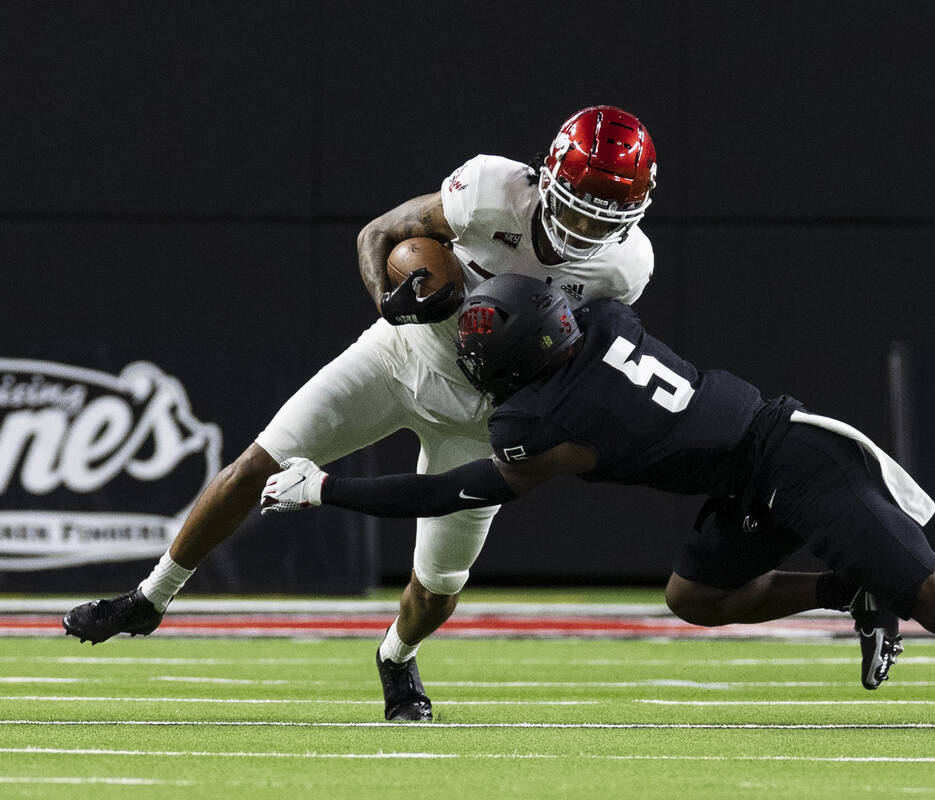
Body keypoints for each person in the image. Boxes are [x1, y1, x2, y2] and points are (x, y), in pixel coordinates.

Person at [260, 274, 935, 728]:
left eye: (483, 362)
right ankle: (846, 591)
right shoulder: (601, 322)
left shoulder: (548, 418)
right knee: (694, 598)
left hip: (802, 464)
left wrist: (332, 487)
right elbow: (527, 320)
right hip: (754, 469)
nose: (472, 371)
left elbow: (457, 486)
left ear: (522, 367)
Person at [62, 105, 664, 722]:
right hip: (399, 356)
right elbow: (377, 234)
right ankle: (149, 598)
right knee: (254, 466)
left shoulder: (625, 266)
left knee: (439, 589)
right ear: (548, 179)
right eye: (573, 207)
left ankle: (396, 656)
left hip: (486, 415)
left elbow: (577, 359)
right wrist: (392, 302)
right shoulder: (489, 191)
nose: (584, 229)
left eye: (605, 219)